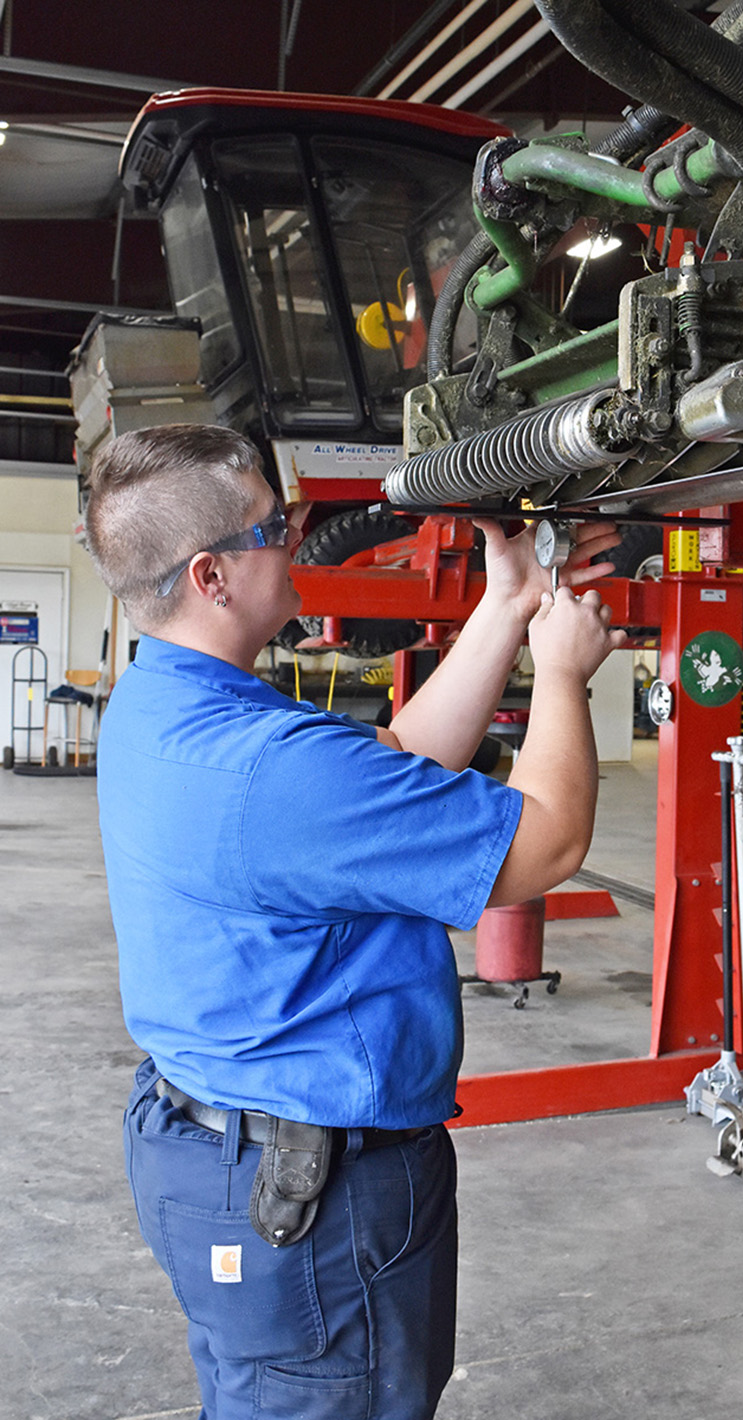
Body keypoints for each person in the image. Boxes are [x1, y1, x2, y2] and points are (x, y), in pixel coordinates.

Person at [85, 423, 625, 1420]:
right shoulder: (269, 771)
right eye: (274, 526)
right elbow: (543, 849)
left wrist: (507, 607)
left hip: (208, 1154)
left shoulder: (163, 706)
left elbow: (395, 756)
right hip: (311, 1202)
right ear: (211, 576)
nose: (296, 539)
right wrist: (560, 673)